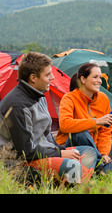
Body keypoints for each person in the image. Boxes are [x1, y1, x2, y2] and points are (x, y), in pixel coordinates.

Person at [0, 52, 96, 184]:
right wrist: (60, 154)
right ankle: (77, 179)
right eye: (47, 75)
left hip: (45, 155)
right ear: (33, 78)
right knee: (72, 166)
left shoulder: (40, 96)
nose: (52, 78)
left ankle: (73, 178)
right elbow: (26, 152)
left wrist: (61, 150)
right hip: (21, 165)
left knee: (89, 151)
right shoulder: (17, 105)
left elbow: (48, 137)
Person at [56, 63, 112, 173]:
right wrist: (96, 121)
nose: (100, 81)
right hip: (73, 147)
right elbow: (65, 125)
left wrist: (104, 153)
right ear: (83, 79)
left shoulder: (103, 99)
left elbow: (105, 131)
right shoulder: (69, 98)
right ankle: (102, 165)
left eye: (100, 77)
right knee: (80, 132)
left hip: (96, 149)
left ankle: (103, 171)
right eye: (95, 77)